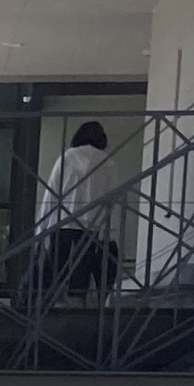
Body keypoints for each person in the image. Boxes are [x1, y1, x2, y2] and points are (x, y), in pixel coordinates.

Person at [33, 118, 122, 299]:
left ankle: (55, 303)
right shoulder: (107, 163)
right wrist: (109, 232)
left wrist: (41, 228)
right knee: (82, 271)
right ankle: (78, 303)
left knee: (58, 268)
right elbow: (112, 200)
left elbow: (52, 193)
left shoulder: (66, 158)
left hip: (64, 222)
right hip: (92, 226)